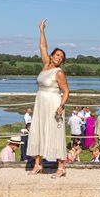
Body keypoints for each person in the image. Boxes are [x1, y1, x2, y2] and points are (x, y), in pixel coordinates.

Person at [27, 20, 70, 178]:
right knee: (38, 130)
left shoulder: (59, 73)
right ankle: (38, 164)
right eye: (57, 55)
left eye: (62, 57)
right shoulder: (46, 65)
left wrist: (62, 105)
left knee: (55, 133)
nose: (59, 58)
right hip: (40, 103)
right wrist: (41, 30)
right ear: (52, 56)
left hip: (53, 104)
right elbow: (43, 47)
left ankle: (61, 167)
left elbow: (66, 91)